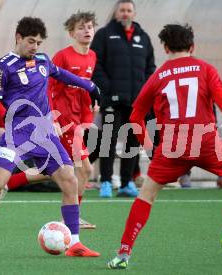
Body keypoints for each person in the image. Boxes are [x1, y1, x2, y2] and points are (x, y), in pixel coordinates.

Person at [0, 17, 101, 257]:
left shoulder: (43, 61)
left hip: (44, 134)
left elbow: (63, 75)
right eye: (31, 41)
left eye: (39, 42)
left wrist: (90, 86)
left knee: (70, 180)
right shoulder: (4, 65)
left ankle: (74, 243)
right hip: (16, 134)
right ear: (18, 38)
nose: (35, 47)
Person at [107, 24, 222, 269]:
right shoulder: (206, 69)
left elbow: (135, 117)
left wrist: (148, 148)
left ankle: (123, 253)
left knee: (146, 195)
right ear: (192, 46)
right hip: (205, 143)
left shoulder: (158, 76)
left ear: (165, 47)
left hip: (171, 148)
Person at [0, 11, 99, 229]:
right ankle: (71, 219)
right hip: (60, 120)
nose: (86, 30)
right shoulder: (61, 56)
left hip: (76, 120)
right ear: (71, 32)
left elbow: (83, 92)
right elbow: (45, 87)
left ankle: (7, 183)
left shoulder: (92, 56)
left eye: (89, 26)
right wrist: (53, 118)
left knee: (59, 170)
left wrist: (88, 117)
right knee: (83, 170)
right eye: (81, 27)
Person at [91, 0, 156, 197]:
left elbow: (150, 68)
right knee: (108, 141)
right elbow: (96, 65)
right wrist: (108, 89)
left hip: (136, 101)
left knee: (132, 142)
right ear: (116, 13)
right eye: (122, 10)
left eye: (129, 10)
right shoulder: (104, 35)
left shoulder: (143, 37)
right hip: (112, 100)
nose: (125, 14)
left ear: (134, 14)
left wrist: (146, 92)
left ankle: (127, 182)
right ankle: (106, 183)